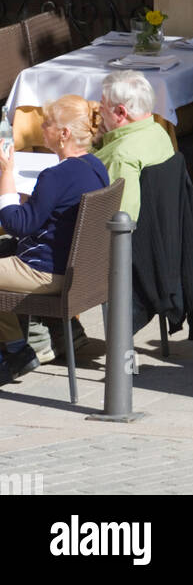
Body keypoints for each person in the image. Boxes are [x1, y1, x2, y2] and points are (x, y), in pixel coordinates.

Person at [0, 94, 109, 384]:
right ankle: (19, 347)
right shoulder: (96, 167)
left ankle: (15, 352)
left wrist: (7, 174)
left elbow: (16, 224)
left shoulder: (55, 175)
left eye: (46, 123)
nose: (41, 128)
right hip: (82, 272)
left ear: (64, 134)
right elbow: (54, 212)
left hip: (45, 271)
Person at [96, 71, 175, 222]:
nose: (99, 113)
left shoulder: (120, 157)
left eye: (101, 107)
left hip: (128, 241)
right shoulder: (160, 133)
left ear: (120, 112)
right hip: (163, 231)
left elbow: (121, 222)